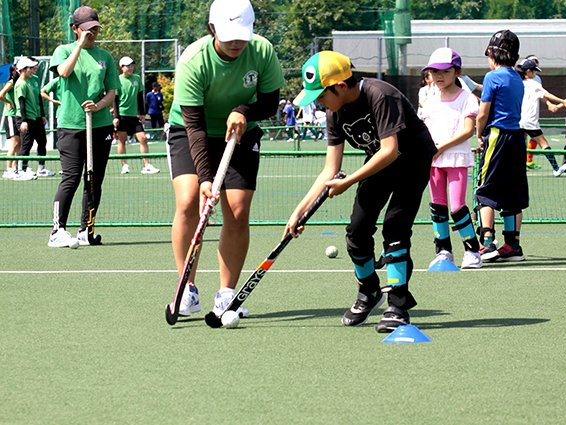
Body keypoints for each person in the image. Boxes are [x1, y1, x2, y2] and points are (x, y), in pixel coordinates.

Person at [286, 51, 437, 333]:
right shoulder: (334, 112)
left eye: (320, 96)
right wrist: (299, 212)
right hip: (380, 161)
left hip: (412, 160)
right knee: (357, 229)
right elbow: (330, 169)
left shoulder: (380, 95)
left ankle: (398, 305)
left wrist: (349, 181)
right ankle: (369, 292)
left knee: (395, 228)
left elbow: (390, 150)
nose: (319, 103)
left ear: (341, 86)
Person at [166, 0, 285, 318]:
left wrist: (243, 110)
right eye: (229, 34)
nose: (237, 42)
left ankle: (227, 294)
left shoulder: (261, 51)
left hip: (241, 134)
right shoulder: (193, 59)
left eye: (243, 34)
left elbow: (270, 103)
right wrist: (206, 177)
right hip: (192, 131)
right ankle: (187, 289)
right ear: (212, 29)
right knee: (190, 201)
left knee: (237, 209)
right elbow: (193, 125)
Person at [47, 5, 119, 248]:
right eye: (87, 29)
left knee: (94, 180)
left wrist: (98, 106)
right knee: (71, 178)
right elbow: (64, 73)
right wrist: (79, 45)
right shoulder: (63, 50)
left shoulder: (105, 56)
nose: (92, 33)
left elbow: (111, 92)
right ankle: (57, 231)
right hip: (71, 125)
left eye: (96, 29)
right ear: (75, 29)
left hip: (100, 125)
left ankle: (86, 231)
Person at [421, 47, 483, 270]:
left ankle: (472, 251)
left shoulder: (467, 98)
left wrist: (441, 148)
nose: (438, 76)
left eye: (444, 71)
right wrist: (429, 149)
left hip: (456, 157)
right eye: (434, 71)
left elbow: (468, 131)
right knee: (437, 207)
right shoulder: (430, 98)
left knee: (457, 207)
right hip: (433, 160)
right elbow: (425, 128)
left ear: (457, 72)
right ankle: (444, 251)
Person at [475, 29, 527, 262]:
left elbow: (483, 113)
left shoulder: (491, 77)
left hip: (497, 136)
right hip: (517, 137)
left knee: (485, 189)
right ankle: (512, 245)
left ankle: (487, 243)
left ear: (492, 54)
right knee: (512, 191)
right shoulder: (518, 77)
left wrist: (479, 134)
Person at [517, 59, 566, 177]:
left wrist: (550, 104)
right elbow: (546, 94)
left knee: (520, 146)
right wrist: (563, 101)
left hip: (519, 121)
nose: (535, 74)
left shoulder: (518, 82)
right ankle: (556, 168)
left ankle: (517, 170)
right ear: (528, 71)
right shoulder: (533, 83)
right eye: (534, 71)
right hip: (530, 121)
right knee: (544, 144)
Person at [113, 56, 159, 175]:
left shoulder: (137, 79)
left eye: (132, 65)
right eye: (128, 66)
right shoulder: (117, 80)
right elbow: (115, 99)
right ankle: (124, 165)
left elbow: (140, 97)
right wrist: (116, 117)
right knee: (122, 140)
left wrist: (142, 114)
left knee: (143, 138)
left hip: (134, 117)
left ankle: (146, 165)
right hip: (122, 115)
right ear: (122, 67)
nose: (131, 68)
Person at [26, 57, 55, 177]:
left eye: (36, 65)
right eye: (33, 65)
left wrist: (42, 115)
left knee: (42, 141)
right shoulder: (22, 80)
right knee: (27, 143)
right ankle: (24, 168)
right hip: (28, 117)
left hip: (37, 116)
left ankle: (41, 167)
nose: (36, 67)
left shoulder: (36, 79)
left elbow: (39, 99)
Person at [13, 57, 41, 181]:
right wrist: (24, 120)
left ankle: (24, 168)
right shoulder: (21, 83)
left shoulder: (26, 82)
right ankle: (20, 171)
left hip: (30, 117)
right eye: (30, 68)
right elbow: (21, 102)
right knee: (25, 144)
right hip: (25, 118)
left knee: (28, 144)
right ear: (23, 69)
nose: (32, 70)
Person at [0, 64, 22, 179]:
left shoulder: (20, 83)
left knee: (19, 144)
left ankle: (15, 168)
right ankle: (8, 169)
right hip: (11, 116)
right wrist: (10, 102)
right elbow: (1, 95)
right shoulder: (11, 83)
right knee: (14, 144)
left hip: (18, 116)